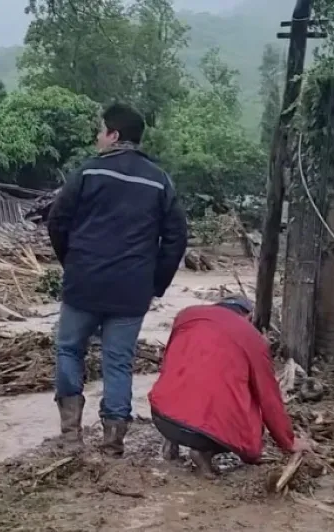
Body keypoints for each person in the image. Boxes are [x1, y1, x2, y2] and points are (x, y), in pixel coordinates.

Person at [46, 102, 188, 455]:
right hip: (132, 289)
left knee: (68, 350)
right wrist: (156, 282)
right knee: (118, 361)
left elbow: (57, 222)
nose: (98, 137)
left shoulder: (88, 173)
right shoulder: (159, 181)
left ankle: (70, 436)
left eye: (101, 130)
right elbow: (176, 237)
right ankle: (113, 441)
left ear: (114, 135)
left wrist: (73, 262)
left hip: (84, 283)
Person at [148, 296, 313, 478]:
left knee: (182, 382)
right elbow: (268, 397)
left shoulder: (186, 315)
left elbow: (168, 362)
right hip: (206, 434)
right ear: (248, 316)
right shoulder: (252, 337)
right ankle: (204, 453)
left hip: (160, 417)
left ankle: (171, 442)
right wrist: (287, 442)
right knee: (250, 422)